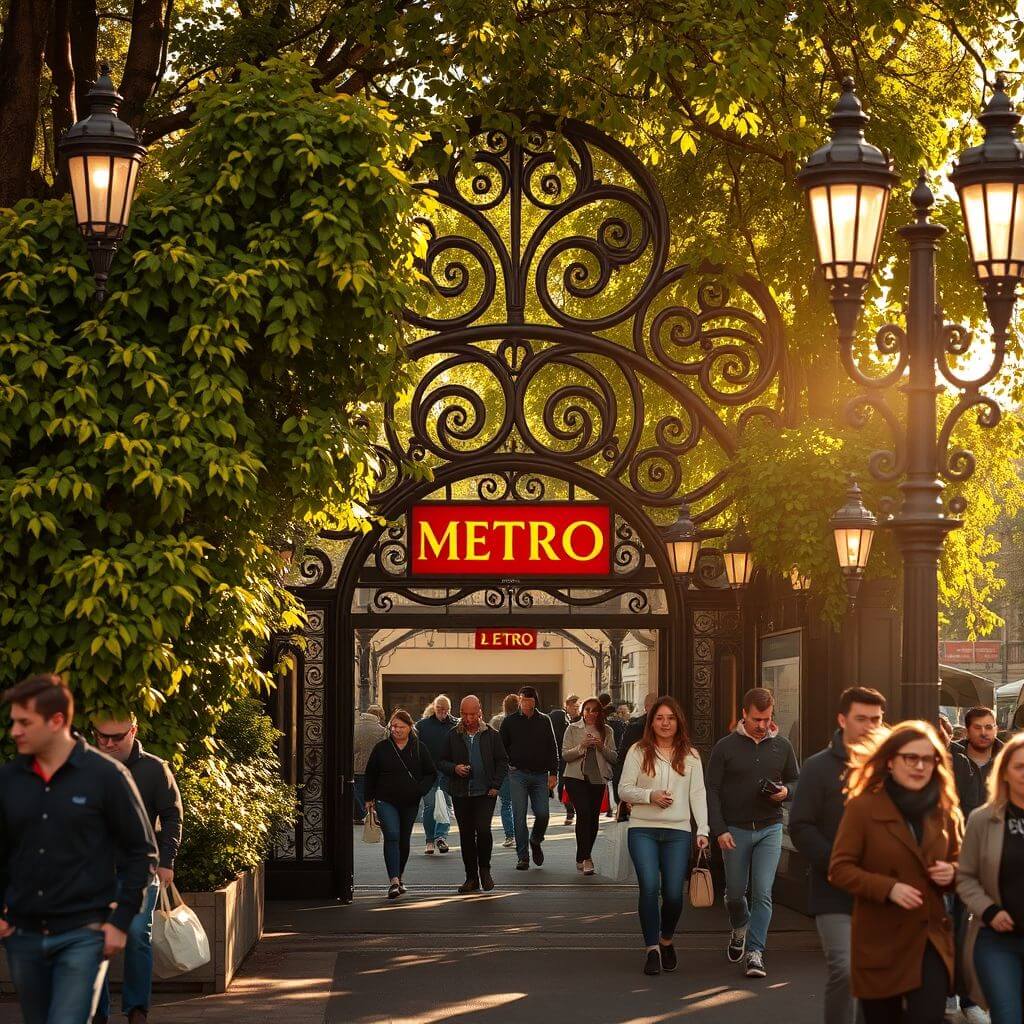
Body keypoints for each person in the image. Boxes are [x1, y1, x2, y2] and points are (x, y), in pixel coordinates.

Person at [0, 675, 158, 1024]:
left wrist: (119, 922)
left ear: (57, 721)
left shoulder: (106, 776)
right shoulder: (9, 780)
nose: (15, 731)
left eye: (25, 723)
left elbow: (142, 851)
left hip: (82, 933)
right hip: (23, 934)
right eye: (14, 721)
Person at [829, 721, 961, 1024]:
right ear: (890, 761)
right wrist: (888, 888)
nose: (919, 766)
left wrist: (952, 873)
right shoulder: (863, 807)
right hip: (881, 939)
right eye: (910, 758)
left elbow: (965, 866)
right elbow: (840, 869)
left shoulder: (944, 808)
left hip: (930, 937)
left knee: (927, 1017)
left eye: (928, 759)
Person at [790, 686, 886, 1024]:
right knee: (846, 969)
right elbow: (801, 826)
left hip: (883, 891)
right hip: (834, 890)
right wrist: (839, 863)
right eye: (861, 719)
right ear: (842, 719)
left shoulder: (890, 768)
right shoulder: (818, 768)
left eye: (876, 719)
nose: (869, 726)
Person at [91, 713, 183, 1024]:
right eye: (101, 736)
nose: (108, 743)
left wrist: (167, 861)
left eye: (116, 737)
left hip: (141, 870)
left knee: (136, 935)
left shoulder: (155, 769)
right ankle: (96, 1012)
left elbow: (172, 816)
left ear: (134, 731)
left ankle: (136, 1009)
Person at [707, 686, 799, 979]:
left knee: (762, 892)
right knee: (735, 894)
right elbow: (712, 790)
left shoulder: (782, 746)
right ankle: (739, 928)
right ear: (744, 714)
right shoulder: (725, 747)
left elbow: (796, 782)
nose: (761, 726)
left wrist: (785, 791)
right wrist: (718, 829)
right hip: (734, 830)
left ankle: (755, 952)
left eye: (767, 719)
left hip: (770, 828)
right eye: (756, 719)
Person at [618, 696, 710, 976]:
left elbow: (698, 794)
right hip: (642, 828)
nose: (665, 723)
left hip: (678, 831)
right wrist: (650, 795)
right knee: (648, 887)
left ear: (678, 721)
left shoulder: (691, 755)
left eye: (670, 718)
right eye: (659, 718)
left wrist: (703, 829)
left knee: (673, 894)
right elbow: (623, 789)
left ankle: (666, 939)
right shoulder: (638, 751)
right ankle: (651, 950)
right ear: (651, 721)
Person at [956, 732, 1024, 1024]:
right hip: (997, 940)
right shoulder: (983, 819)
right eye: (1019, 766)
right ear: (1005, 772)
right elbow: (965, 877)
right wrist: (989, 910)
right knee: (1007, 1016)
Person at [950, 706, 1002, 1022]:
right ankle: (961, 993)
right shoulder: (951, 759)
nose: (985, 732)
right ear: (967, 730)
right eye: (979, 727)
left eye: (990, 726)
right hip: (956, 853)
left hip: (997, 854)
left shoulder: (1007, 759)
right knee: (957, 925)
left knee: (993, 926)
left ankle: (980, 996)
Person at [364, 709, 437, 899]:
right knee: (393, 835)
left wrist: (420, 790)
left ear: (410, 727)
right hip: (385, 799)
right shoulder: (382, 747)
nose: (396, 730)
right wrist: (368, 798)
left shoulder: (419, 747)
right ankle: (394, 881)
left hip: (410, 801)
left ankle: (400, 876)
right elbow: (371, 773)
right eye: (393, 726)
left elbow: (431, 773)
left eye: (400, 726)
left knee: (404, 839)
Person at [439, 696, 509, 894]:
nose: (468, 718)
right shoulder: (453, 735)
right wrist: (455, 768)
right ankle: (471, 877)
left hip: (485, 792)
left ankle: (485, 870)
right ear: (460, 713)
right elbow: (442, 762)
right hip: (461, 792)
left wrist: (496, 785)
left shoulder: (492, 735)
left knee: (483, 830)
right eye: (464, 714)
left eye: (472, 714)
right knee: (466, 835)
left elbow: (502, 761)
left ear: (480, 713)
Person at [499, 685, 559, 871]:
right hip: (518, 775)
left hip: (541, 776)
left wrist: (554, 773)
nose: (526, 703)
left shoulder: (544, 720)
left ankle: (536, 840)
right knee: (519, 816)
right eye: (523, 699)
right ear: (519, 700)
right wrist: (507, 764)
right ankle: (522, 857)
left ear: (535, 701)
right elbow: (501, 747)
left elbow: (552, 747)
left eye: (530, 699)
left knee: (543, 814)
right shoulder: (509, 722)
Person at [562, 697, 618, 874]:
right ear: (582, 712)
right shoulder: (572, 728)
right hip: (575, 778)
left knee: (593, 818)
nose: (591, 714)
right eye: (587, 710)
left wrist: (601, 746)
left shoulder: (607, 731)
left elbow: (614, 757)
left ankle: (583, 854)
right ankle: (587, 858)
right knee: (583, 813)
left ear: (600, 713)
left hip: (597, 778)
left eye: (595, 710)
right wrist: (582, 746)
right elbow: (565, 755)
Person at [415, 694, 458, 855]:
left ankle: (441, 837)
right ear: (434, 707)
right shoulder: (422, 726)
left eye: (446, 709)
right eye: (440, 709)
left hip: (447, 772)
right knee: (430, 806)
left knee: (445, 805)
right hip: (428, 772)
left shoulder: (455, 725)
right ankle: (429, 840)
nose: (443, 712)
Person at [489, 693, 520, 847]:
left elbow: (491, 746)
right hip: (520, 767)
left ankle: (510, 836)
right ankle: (520, 834)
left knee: (506, 803)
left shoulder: (496, 721)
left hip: (503, 767)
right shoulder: (523, 721)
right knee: (519, 804)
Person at [549, 694, 581, 826]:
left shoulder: (580, 720)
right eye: (574, 707)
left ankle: (573, 810)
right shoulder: (559, 717)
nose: (576, 710)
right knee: (563, 786)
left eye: (578, 707)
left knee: (574, 786)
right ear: (567, 706)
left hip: (574, 758)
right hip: (562, 759)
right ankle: (570, 810)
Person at [354, 706, 387, 825]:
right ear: (379, 716)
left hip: (357, 766)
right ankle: (373, 815)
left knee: (358, 792)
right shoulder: (382, 731)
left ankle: (360, 815)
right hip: (375, 768)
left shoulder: (355, 728)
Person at [600, 693, 627, 816]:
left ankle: (610, 808)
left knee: (606, 780)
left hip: (607, 751)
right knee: (617, 779)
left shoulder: (602, 719)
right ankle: (617, 807)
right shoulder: (619, 721)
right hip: (618, 752)